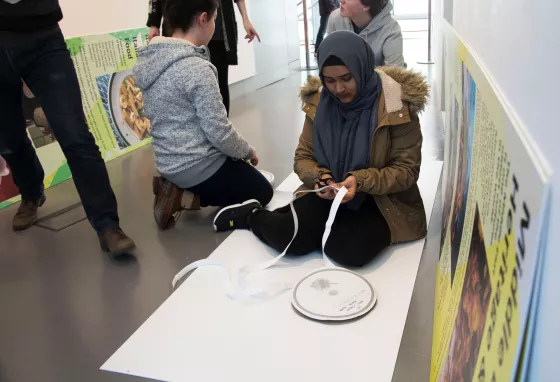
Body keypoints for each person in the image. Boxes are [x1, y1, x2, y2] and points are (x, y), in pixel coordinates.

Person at [213, 31, 428, 267]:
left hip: (381, 199)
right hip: (330, 191)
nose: (338, 89)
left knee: (350, 252)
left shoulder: (396, 105)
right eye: (330, 80)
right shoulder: (321, 102)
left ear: (362, 68)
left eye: (347, 78)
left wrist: (361, 180)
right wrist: (320, 179)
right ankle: (251, 215)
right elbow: (303, 156)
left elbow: (406, 170)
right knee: (289, 239)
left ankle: (325, 225)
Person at [0, 0, 135, 255]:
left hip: (42, 38)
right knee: (8, 139)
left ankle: (108, 226)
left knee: (73, 132)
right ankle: (31, 192)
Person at [134, 0, 273, 230]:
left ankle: (175, 186)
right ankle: (184, 196)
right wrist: (247, 151)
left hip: (166, 161)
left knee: (233, 163)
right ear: (202, 19)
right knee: (263, 191)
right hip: (197, 165)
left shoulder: (150, 60)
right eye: (215, 19)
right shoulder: (198, 69)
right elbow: (219, 132)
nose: (215, 25)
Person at [146, 0, 260, 116]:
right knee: (180, 84)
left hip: (216, 29)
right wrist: (154, 23)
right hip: (180, 24)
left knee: (218, 84)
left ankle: (219, 127)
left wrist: (246, 19)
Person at [328, 0, 404, 67]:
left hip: (378, 82)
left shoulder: (391, 30)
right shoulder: (335, 19)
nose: (340, 0)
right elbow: (330, 62)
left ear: (366, 5)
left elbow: (395, 75)